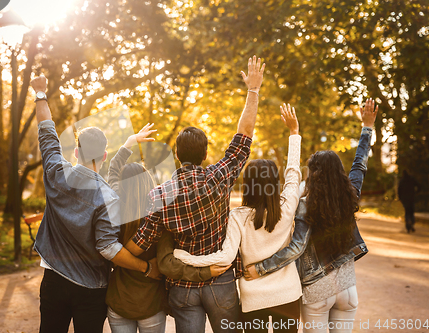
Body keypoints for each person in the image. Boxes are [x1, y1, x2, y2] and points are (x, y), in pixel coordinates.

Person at [124, 55, 266, 333]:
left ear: (177, 155)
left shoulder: (159, 195)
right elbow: (245, 133)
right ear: (204, 153)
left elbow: (138, 245)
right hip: (221, 282)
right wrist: (253, 90)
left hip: (182, 289)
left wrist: (115, 255)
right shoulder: (218, 176)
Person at [30, 75, 161, 333]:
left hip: (53, 280)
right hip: (91, 289)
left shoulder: (56, 171)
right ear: (103, 155)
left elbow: (46, 130)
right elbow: (108, 247)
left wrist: (40, 92)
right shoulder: (108, 197)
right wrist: (145, 267)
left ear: (77, 152)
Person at [244, 99, 379, 333]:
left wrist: (261, 268)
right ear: (338, 172)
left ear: (312, 175)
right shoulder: (350, 196)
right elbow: (359, 165)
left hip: (317, 290)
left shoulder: (305, 206)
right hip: (347, 289)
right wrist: (367, 127)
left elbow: (296, 248)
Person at [173, 103, 302, 333]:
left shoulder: (237, 217)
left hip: (254, 298)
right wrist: (294, 133)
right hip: (288, 295)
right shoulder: (288, 205)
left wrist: (185, 257)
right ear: (275, 183)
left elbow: (224, 258)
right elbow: (293, 171)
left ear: (247, 186)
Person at [105, 124, 229, 333]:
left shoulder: (115, 204)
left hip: (120, 299)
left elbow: (113, 172)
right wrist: (204, 271)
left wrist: (130, 142)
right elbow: (167, 264)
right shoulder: (159, 213)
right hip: (151, 303)